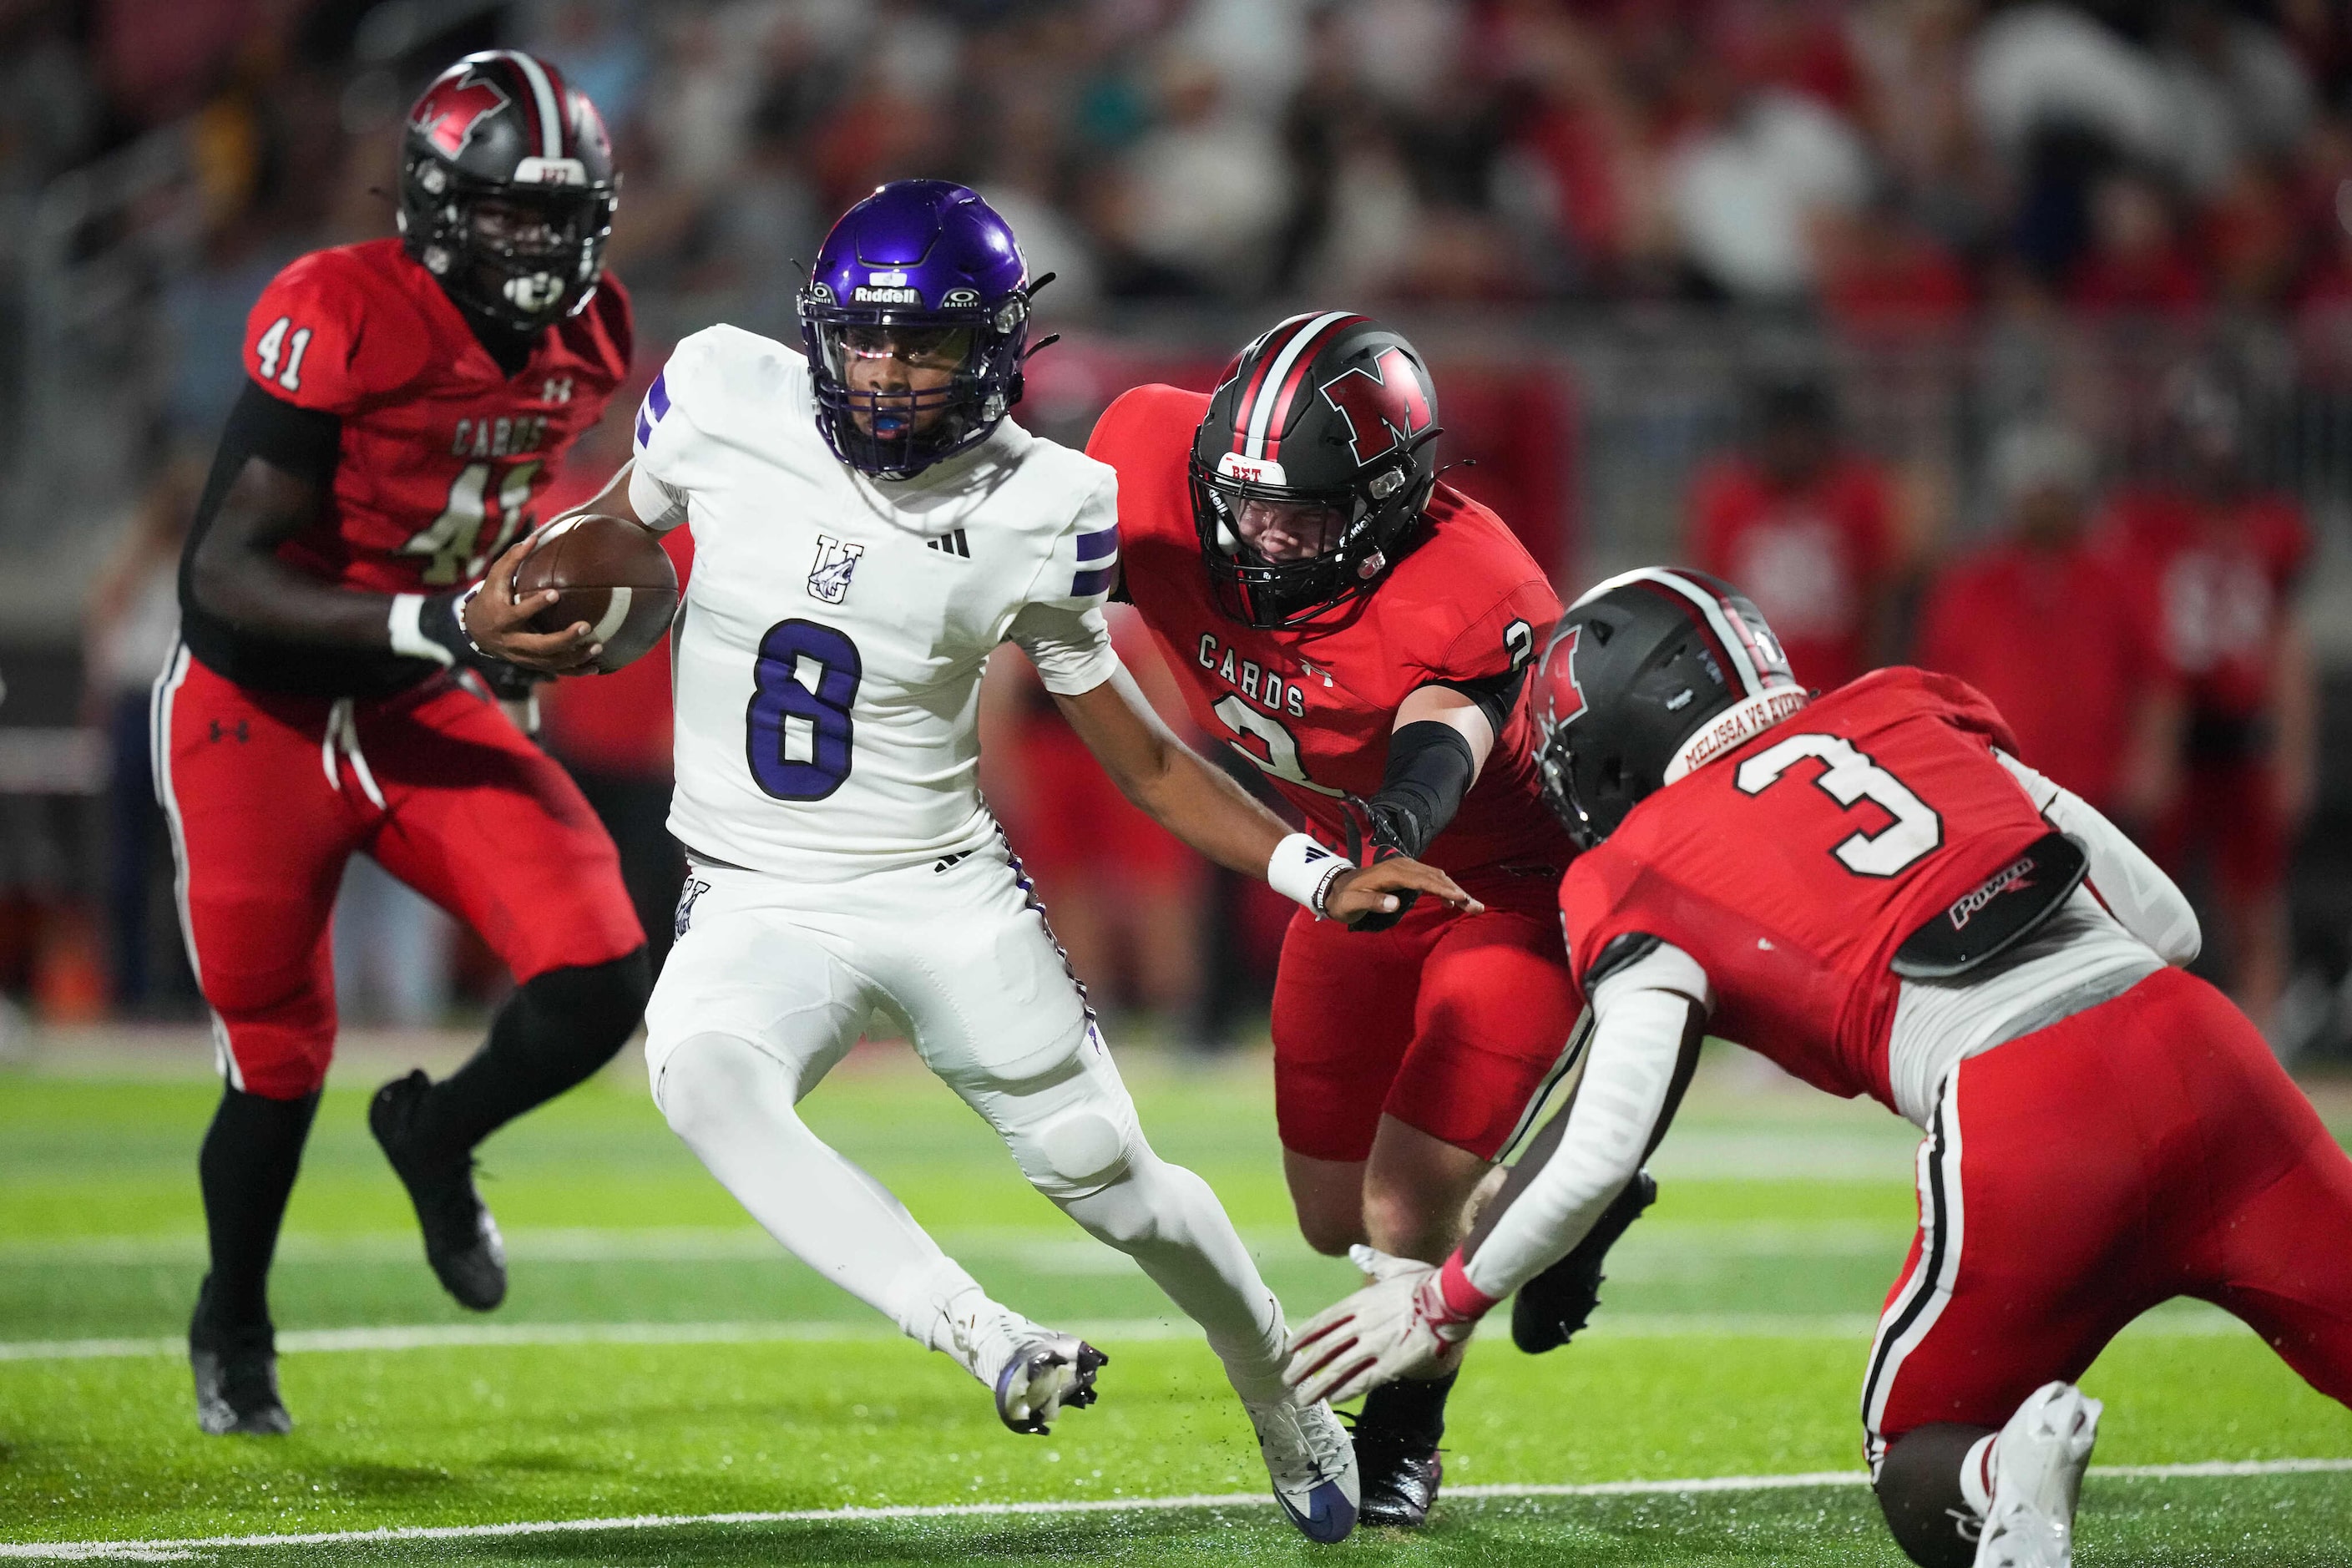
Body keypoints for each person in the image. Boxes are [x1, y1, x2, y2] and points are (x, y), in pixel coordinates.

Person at [469, 181, 1475, 1545]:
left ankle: (1282, 1399)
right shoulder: (717, 389)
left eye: (925, 343)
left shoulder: (1044, 502)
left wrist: (1309, 871)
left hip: (940, 892)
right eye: (866, 338)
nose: (886, 371)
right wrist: (510, 594)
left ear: (995, 350)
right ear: (821, 328)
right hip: (754, 893)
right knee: (698, 1072)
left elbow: (1144, 754)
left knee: (1121, 1187)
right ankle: (982, 1329)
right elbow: (616, 526)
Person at [1286, 567, 2352, 1568]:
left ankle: (2002, 1474)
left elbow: (1606, 1137)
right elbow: (2166, 921)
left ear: (1610, 736)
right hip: (2209, 1053)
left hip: (2028, 1114)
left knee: (1918, 1457)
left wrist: (1446, 1302)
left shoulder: (1636, 866)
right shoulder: (1907, 707)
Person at [1085, 313, 1646, 1527]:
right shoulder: (1150, 459)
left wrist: (1375, 842)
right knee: (1330, 1215)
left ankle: (1402, 1437)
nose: (1267, 537)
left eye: (1307, 515)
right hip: (1345, 874)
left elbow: (1430, 766)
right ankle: (1556, 1201)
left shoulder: (1473, 585)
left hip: (1504, 889)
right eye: (1251, 504)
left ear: (1391, 502)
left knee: (1403, 1205)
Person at [161, 52, 649, 1437]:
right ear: (436, 204)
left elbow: (495, 503)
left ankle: (439, 1131)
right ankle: (234, 1318)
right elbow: (224, 574)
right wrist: (443, 622)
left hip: (417, 690)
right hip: (255, 704)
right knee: (276, 1051)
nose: (538, 246)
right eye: (508, 213)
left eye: (561, 216)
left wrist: (526, 618)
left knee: (603, 969)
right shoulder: (337, 306)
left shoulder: (594, 331)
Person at [2098, 370, 2316, 1031]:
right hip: (2178, 727)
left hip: (2242, 727)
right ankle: (2139, 1031)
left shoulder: (2272, 528)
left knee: (2250, 896)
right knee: (2144, 894)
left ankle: (2265, 1034)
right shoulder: (2146, 527)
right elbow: (2136, 649)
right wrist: (2146, 743)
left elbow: (2283, 645)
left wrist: (2295, 750)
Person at [1914, 423, 2180, 827]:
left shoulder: (2116, 577)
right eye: (2034, 492)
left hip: (2100, 788)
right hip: (2001, 789)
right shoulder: (1972, 584)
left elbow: (2155, 680)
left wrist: (2152, 761)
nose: (2044, 505)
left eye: (2054, 492)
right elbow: (1938, 689)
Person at [1688, 366, 1899, 692]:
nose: (1794, 445)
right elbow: (1709, 606)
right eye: (1783, 433)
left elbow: (1881, 600)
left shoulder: (1856, 495)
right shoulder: (1728, 500)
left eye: (1803, 433)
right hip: (1755, 694)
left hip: (1839, 688)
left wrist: (1876, 684)